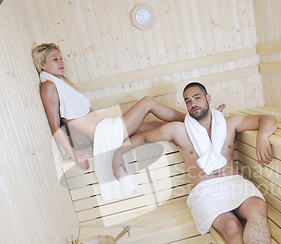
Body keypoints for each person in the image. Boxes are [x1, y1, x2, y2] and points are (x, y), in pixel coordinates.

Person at [112, 82, 281, 244]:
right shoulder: (178, 130)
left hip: (233, 183)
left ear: (208, 98)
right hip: (204, 192)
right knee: (231, 226)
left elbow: (266, 119)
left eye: (197, 97)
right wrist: (118, 151)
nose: (192, 103)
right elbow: (143, 136)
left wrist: (262, 137)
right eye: (188, 100)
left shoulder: (229, 123)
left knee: (257, 206)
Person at [31, 43, 185, 171]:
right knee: (147, 102)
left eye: (61, 58)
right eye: (55, 59)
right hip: (104, 134)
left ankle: (191, 133)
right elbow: (55, 127)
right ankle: (192, 120)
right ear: (42, 65)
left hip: (105, 129)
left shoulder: (60, 85)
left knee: (156, 125)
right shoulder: (48, 86)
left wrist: (78, 142)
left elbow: (68, 120)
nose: (61, 62)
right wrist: (74, 154)